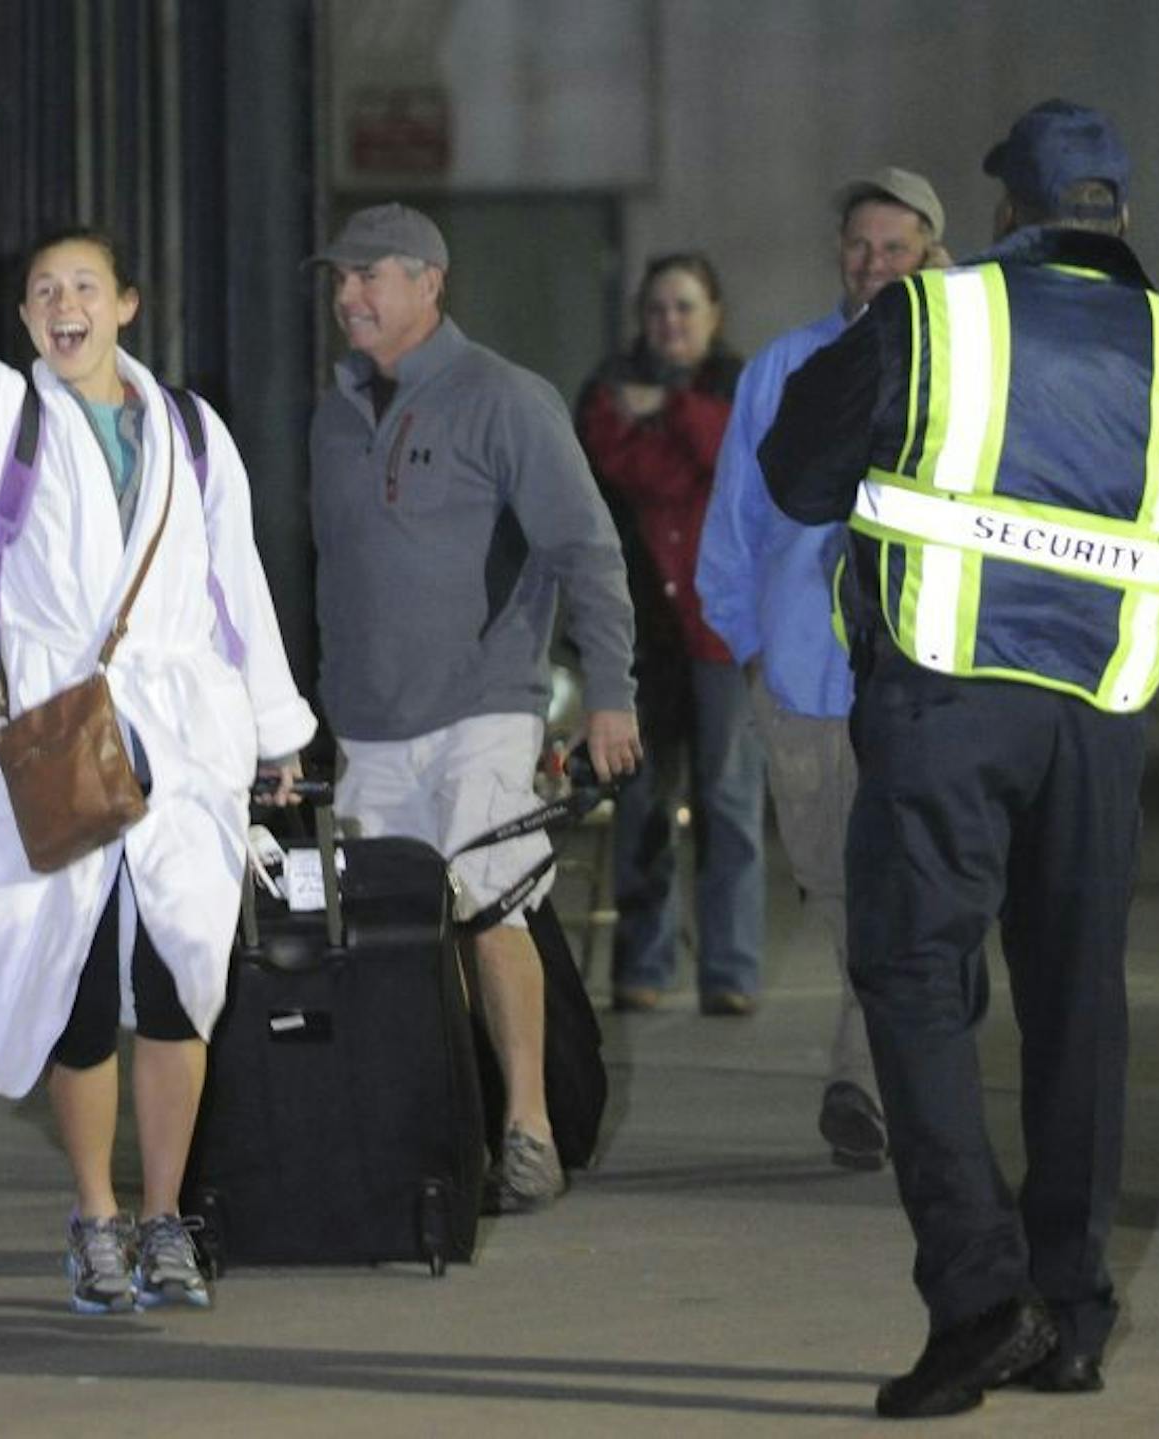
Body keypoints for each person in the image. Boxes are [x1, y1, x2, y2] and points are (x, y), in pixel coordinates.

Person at [761, 100, 1159, 1418]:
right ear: (1122, 213)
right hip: (1097, 718)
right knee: (1079, 1005)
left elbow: (797, 472)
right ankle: (1074, 1314)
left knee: (915, 981)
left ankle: (983, 1298)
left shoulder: (934, 318)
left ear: (1005, 215)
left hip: (943, 704)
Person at [0, 62, 317, 1314]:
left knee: (180, 978)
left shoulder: (198, 436)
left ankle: (167, 1215)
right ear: (26, 320)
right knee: (72, 981)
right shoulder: (4, 418)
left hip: (180, 739)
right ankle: (95, 1215)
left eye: (84, 287)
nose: (64, 303)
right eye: (44, 291)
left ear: (127, 305)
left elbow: (240, 591)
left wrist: (275, 735)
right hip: (60, 733)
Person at [307, 203, 642, 1212]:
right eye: (341, 278)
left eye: (371, 275)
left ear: (430, 282)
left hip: (483, 706)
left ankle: (529, 1124)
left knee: (492, 902)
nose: (349, 294)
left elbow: (588, 552)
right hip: (369, 722)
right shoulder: (331, 412)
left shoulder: (506, 398)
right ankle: (441, 1128)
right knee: (400, 939)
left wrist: (612, 698)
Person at [696, 166, 949, 1168]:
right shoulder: (784, 367)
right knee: (846, 890)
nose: (872, 263)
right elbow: (735, 526)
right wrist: (751, 647)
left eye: (894, 246)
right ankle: (893, 1074)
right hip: (805, 681)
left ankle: (867, 1079)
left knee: (917, 889)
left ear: (934, 249)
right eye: (859, 246)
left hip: (932, 682)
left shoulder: (964, 364)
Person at [577, 253, 763, 1018]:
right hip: (640, 637)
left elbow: (734, 458)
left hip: (723, 634)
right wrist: (674, 434)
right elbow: (621, 462)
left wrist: (671, 413)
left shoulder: (744, 386)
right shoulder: (605, 388)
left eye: (685, 307)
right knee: (641, 803)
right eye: (658, 308)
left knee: (729, 802)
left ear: (714, 314)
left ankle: (732, 970)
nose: (671, 322)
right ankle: (642, 965)